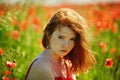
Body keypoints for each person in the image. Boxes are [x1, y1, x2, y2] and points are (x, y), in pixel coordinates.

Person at [25, 8, 96, 80]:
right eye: (61, 37)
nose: (66, 45)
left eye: (72, 39)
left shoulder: (67, 63)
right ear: (49, 34)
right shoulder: (42, 66)